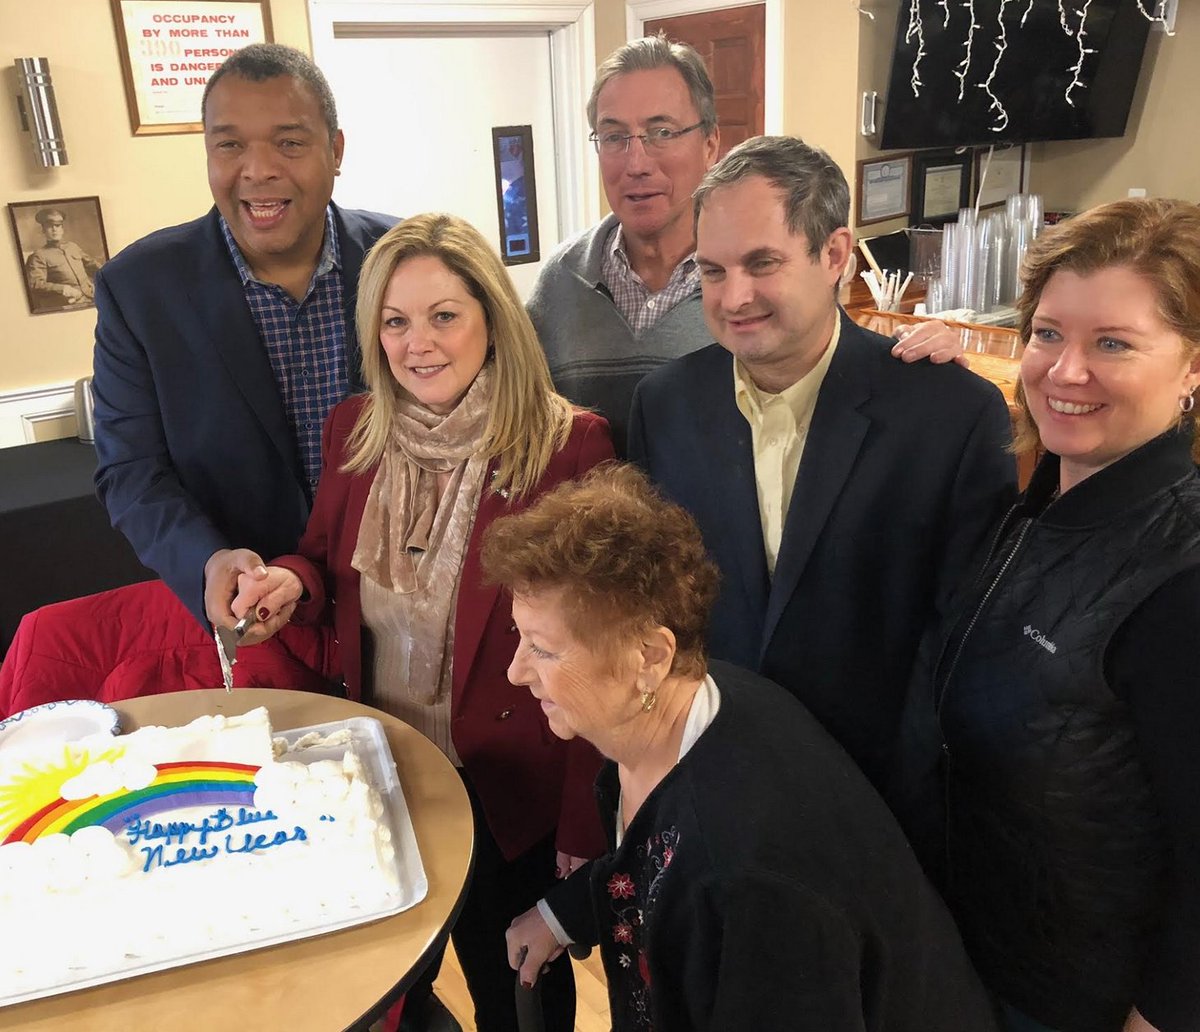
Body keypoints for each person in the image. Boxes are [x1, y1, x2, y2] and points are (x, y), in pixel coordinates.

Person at [228, 213, 614, 1032]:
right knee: (387, 994)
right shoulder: (354, 430)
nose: (419, 344)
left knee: (517, 1004)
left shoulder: (569, 448)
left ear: (492, 319)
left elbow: (596, 654)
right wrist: (290, 583)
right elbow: (322, 563)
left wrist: (586, 821)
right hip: (384, 774)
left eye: (444, 315)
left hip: (510, 794)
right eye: (396, 321)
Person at [480, 464, 1000, 1031]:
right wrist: (565, 912)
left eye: (543, 649)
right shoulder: (701, 696)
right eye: (520, 638)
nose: (515, 672)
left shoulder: (752, 883)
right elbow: (652, 862)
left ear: (649, 657)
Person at [890, 198, 1200, 1032]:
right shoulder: (1041, 503)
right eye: (1048, 333)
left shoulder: (1182, 577)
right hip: (968, 954)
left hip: (1071, 1001)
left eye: (1113, 343)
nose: (1065, 371)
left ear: (1192, 368)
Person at [628, 135, 1017, 790]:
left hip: (879, 789)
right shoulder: (665, 405)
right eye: (713, 270)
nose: (734, 296)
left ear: (835, 255)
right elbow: (656, 602)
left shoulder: (949, 413)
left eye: (762, 263)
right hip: (711, 771)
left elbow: (965, 640)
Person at [528, 33, 962, 454]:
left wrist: (914, 357)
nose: (636, 163)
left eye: (661, 132)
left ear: (710, 143)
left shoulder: (759, 283)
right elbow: (517, 406)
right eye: (614, 137)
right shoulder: (559, 283)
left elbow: (833, 362)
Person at [90, 43, 396, 633]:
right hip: (248, 614)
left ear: (335, 150)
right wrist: (207, 562)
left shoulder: (406, 258)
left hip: (404, 610)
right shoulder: (140, 289)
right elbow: (130, 471)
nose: (257, 170)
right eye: (229, 145)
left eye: (289, 142)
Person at [24, 207, 103, 309]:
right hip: (67, 302)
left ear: (62, 229)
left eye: (58, 226)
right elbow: (36, 284)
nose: (54, 229)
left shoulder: (73, 247)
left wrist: (102, 279)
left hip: (92, 297)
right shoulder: (38, 256)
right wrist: (63, 289)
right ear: (43, 230)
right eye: (49, 226)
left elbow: (92, 265)